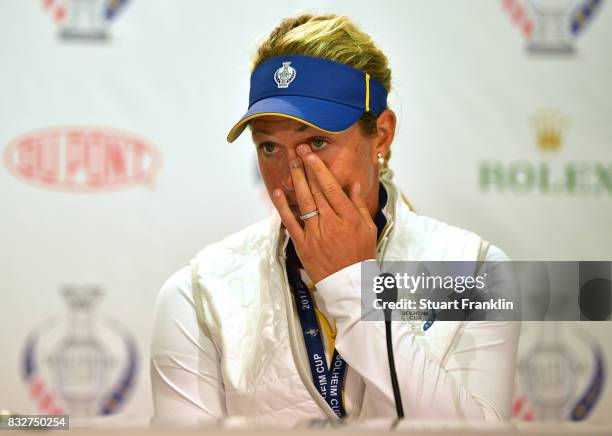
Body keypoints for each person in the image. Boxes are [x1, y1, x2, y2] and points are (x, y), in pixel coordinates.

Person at [150, 13, 520, 425]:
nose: (294, 174)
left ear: (381, 134)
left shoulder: (478, 269)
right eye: (269, 147)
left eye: (317, 142)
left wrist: (353, 284)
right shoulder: (197, 293)